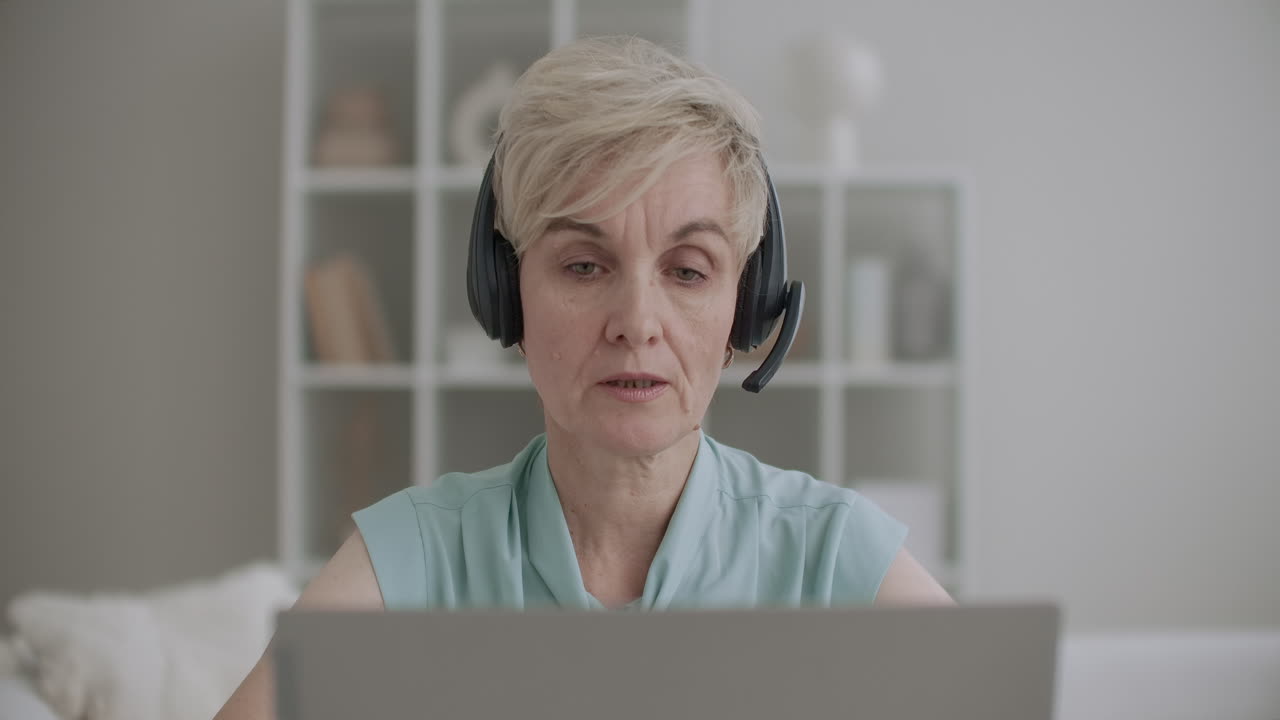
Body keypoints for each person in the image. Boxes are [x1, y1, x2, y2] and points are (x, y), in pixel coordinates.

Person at [215, 35, 950, 719]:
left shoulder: (833, 554)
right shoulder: (410, 558)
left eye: (688, 271)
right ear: (507, 295)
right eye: (584, 265)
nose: (637, 321)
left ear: (745, 309)